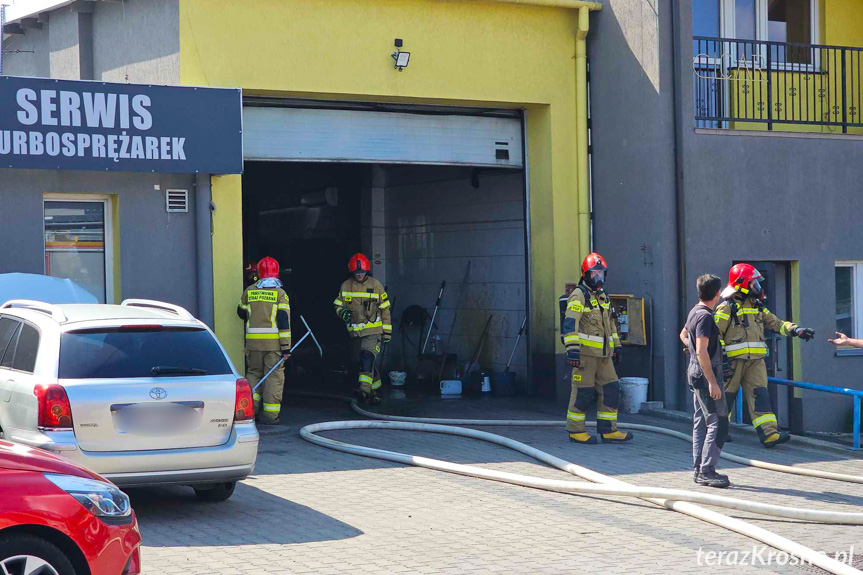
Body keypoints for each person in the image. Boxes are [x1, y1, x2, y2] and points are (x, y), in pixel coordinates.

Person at [714, 263, 814, 448]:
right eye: (754, 283)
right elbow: (715, 336)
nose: (758, 287)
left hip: (756, 363)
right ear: (743, 284)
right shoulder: (726, 308)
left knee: (761, 397)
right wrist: (722, 362)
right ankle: (717, 432)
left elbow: (776, 323)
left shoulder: (757, 307)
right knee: (725, 399)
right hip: (732, 363)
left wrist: (796, 330)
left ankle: (769, 434)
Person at [562, 252, 633, 444]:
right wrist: (572, 349)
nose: (598, 278)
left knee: (611, 389)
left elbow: (610, 325)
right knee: (583, 392)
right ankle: (576, 430)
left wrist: (616, 346)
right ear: (585, 274)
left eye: (601, 274)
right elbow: (570, 323)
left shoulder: (603, 297)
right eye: (594, 274)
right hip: (584, 355)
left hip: (604, 355)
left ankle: (609, 430)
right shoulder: (579, 295)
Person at [679, 274, 730, 488]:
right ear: (717, 294)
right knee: (718, 422)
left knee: (701, 422)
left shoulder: (694, 311)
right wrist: (713, 382)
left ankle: (699, 468)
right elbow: (701, 350)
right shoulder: (706, 317)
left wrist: (692, 350)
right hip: (704, 376)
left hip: (695, 373)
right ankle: (707, 471)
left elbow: (683, 334)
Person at [237, 256, 291, 425]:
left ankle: (251, 411)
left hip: (253, 344)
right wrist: (286, 348)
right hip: (273, 345)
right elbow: (283, 322)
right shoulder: (280, 294)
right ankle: (270, 416)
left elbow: (240, 313)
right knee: (273, 377)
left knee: (253, 374)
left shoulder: (250, 291)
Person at [334, 253, 392, 404]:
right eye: (356, 273)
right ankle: (376, 390)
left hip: (373, 332)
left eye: (362, 272)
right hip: (355, 333)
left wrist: (387, 332)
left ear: (367, 271)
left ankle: (364, 390)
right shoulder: (346, 285)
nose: (359, 275)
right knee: (365, 362)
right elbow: (337, 305)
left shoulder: (376, 285)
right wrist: (342, 313)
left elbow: (385, 309)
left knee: (367, 356)